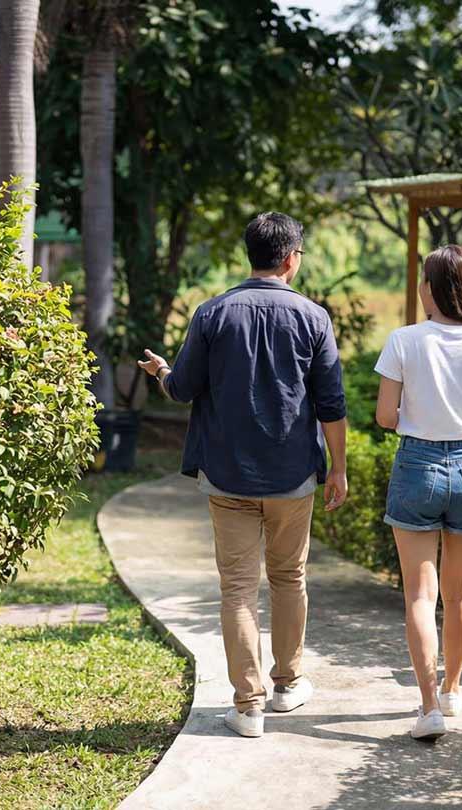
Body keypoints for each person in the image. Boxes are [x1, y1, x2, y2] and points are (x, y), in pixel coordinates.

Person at [137, 212, 349, 739]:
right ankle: (288, 683)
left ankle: (247, 706)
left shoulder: (212, 314)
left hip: (227, 476)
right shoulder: (313, 318)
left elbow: (182, 389)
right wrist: (339, 469)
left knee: (237, 590)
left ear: (251, 254)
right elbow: (332, 404)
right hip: (293, 476)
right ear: (291, 258)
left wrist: (161, 371)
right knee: (289, 578)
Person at [374, 244, 462, 742]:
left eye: (423, 279)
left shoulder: (404, 341)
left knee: (420, 593)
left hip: (416, 463)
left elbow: (385, 417)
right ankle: (454, 689)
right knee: (459, 593)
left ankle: (429, 706)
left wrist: (416, 408)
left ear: (433, 288)